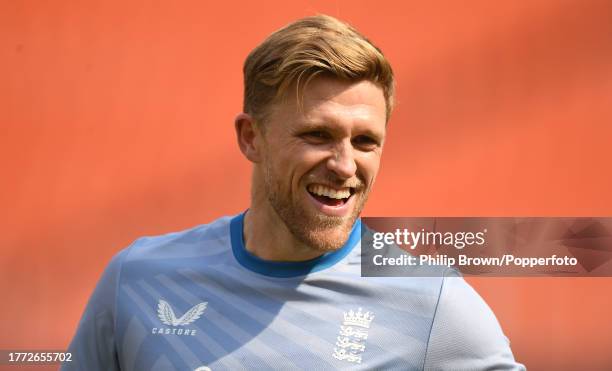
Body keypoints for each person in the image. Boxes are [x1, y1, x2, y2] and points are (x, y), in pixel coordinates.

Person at [63, 15, 525, 370]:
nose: (345, 166)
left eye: (365, 141)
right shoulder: (138, 281)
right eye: (317, 135)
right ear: (251, 138)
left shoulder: (432, 302)